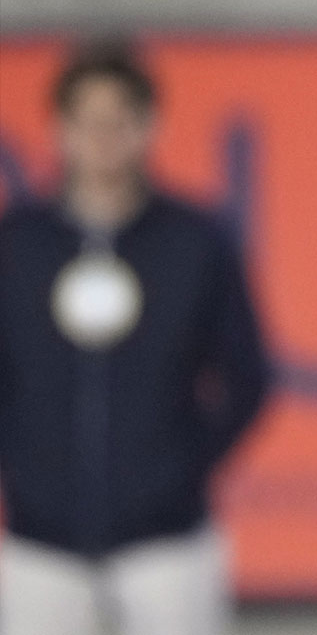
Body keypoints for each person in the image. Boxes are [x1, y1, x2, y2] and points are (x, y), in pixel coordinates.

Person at [0, 41, 274, 635]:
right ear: (58, 130)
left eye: (119, 120)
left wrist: (180, 467)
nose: (103, 138)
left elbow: (247, 374)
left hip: (166, 543)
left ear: (149, 127)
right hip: (40, 543)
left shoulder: (194, 242)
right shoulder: (18, 246)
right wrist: (24, 467)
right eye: (87, 121)